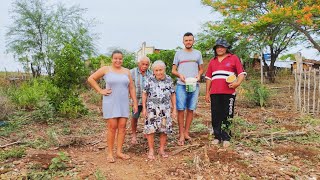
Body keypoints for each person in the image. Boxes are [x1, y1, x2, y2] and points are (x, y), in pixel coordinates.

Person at [87, 50, 138, 163]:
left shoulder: (126, 71)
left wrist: (134, 102)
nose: (118, 60)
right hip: (110, 101)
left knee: (123, 127)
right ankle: (110, 153)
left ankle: (119, 152)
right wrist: (100, 90)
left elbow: (132, 88)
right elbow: (91, 79)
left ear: (122, 59)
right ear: (112, 59)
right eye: (116, 58)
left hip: (123, 102)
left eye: (120, 58)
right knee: (112, 126)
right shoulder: (106, 69)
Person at [205, 38, 246, 147]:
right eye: (218, 47)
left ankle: (226, 137)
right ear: (215, 49)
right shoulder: (212, 61)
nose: (220, 49)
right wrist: (207, 93)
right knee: (215, 114)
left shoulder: (233, 58)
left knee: (227, 114)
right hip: (214, 93)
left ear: (226, 48)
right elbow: (209, 78)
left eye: (222, 47)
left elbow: (241, 74)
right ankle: (217, 136)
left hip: (228, 93)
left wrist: (237, 83)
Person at [172, 32, 204, 146]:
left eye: (190, 40)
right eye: (186, 40)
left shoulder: (198, 54)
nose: (188, 42)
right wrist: (180, 75)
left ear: (193, 41)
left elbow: (201, 69)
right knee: (181, 109)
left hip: (194, 85)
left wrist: (199, 75)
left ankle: (186, 132)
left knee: (190, 109)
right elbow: (173, 70)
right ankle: (181, 133)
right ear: (183, 41)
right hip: (181, 85)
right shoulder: (178, 54)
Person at [142, 60, 176, 160]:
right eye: (156, 70)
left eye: (160, 70)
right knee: (150, 129)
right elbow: (144, 94)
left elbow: (173, 94)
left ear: (164, 70)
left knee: (164, 129)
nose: (158, 72)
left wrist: (174, 109)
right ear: (153, 71)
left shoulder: (169, 79)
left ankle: (161, 149)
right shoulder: (149, 79)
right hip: (152, 108)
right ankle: (151, 150)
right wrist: (144, 108)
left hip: (165, 108)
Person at [130, 56, 152, 144]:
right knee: (135, 117)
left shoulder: (151, 74)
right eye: (143, 64)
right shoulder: (132, 72)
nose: (144, 66)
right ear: (139, 63)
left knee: (148, 117)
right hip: (136, 100)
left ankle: (146, 132)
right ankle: (134, 135)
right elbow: (129, 86)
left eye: (147, 65)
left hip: (148, 100)